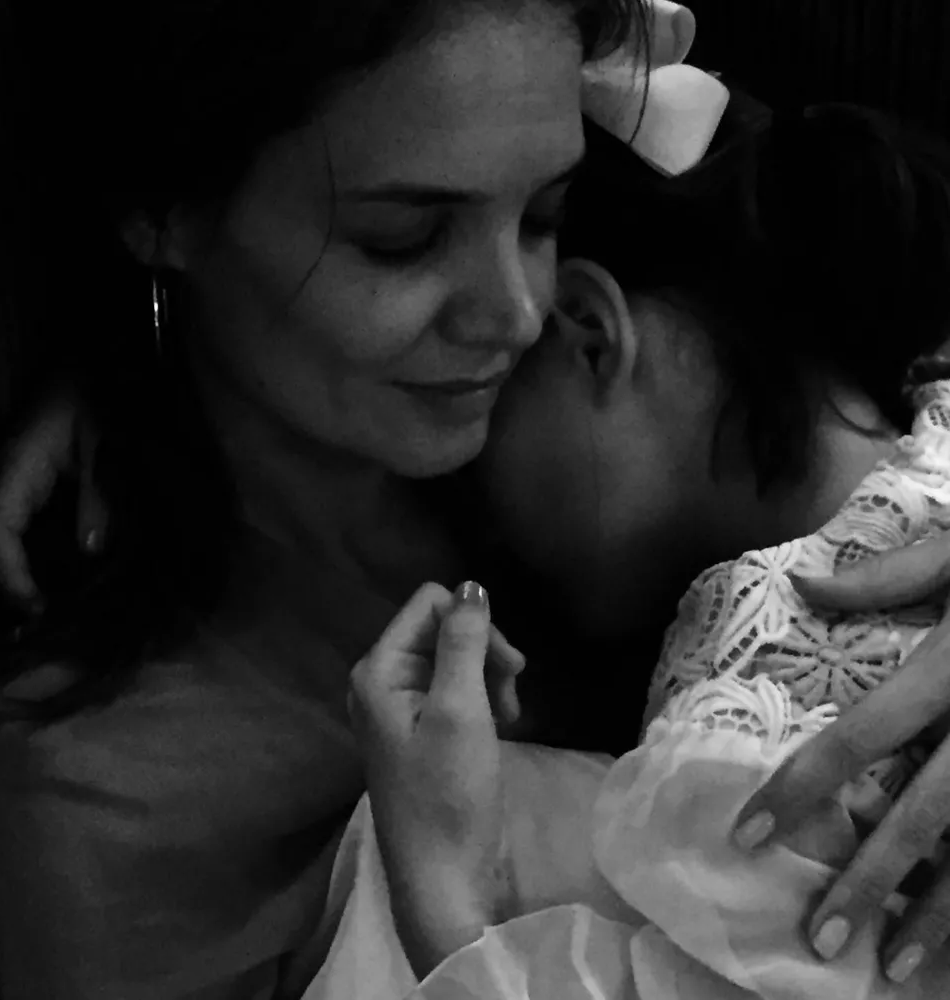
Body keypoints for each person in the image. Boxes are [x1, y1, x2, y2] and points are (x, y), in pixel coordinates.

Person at [0, 0, 655, 997]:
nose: (519, 313)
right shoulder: (90, 783)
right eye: (403, 239)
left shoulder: (595, 389)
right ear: (166, 211)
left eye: (543, 215)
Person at [321, 97, 950, 997]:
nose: (476, 541)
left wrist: (446, 903)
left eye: (473, 419)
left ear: (585, 332)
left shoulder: (745, 725)